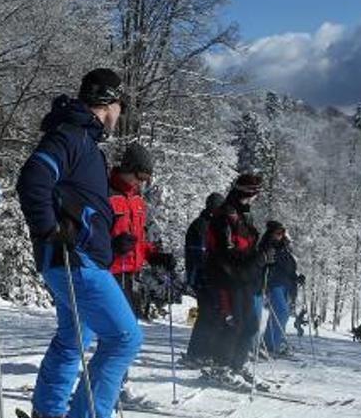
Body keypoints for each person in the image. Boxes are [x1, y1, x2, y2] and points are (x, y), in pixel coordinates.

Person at [16, 68, 144, 418]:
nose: (120, 113)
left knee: (75, 336)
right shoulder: (71, 137)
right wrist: (48, 231)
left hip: (73, 257)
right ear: (111, 103)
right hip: (76, 260)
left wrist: (111, 242)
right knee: (124, 337)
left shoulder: (82, 140)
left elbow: (79, 203)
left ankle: (50, 414)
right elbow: (33, 179)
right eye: (120, 105)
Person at [203, 173, 264, 383]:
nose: (256, 198)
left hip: (244, 277)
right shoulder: (226, 215)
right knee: (234, 323)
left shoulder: (244, 214)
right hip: (228, 277)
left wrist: (260, 258)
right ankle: (222, 367)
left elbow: (249, 245)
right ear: (246, 193)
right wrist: (255, 258)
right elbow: (225, 251)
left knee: (251, 325)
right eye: (255, 193)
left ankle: (236, 365)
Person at [108, 143, 175, 320]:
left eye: (146, 178)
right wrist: (112, 246)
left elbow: (139, 239)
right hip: (109, 273)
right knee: (122, 333)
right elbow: (91, 237)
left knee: (127, 334)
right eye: (140, 176)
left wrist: (153, 256)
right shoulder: (107, 194)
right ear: (128, 168)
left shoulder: (137, 200)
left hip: (130, 276)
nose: (142, 182)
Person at [182, 192, 226, 365]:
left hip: (208, 276)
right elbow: (199, 254)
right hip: (203, 277)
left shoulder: (209, 224)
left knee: (211, 314)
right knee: (207, 314)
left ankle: (204, 352)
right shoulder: (202, 225)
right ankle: (196, 354)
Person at [259, 220, 299, 356]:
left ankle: (273, 343)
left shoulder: (285, 248)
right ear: (271, 233)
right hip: (274, 283)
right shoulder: (267, 245)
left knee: (281, 314)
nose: (281, 235)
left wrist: (297, 277)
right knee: (281, 313)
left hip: (286, 285)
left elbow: (290, 268)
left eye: (283, 232)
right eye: (278, 233)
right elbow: (263, 263)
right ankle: (271, 345)